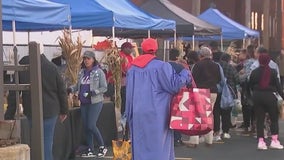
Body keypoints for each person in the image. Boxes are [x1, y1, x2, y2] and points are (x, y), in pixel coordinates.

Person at [125, 38, 191, 160]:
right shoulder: (161, 66)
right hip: (158, 113)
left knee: (140, 145)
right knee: (159, 146)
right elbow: (175, 86)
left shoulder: (132, 69)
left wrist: (127, 115)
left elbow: (128, 94)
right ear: (156, 49)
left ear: (142, 49)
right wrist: (185, 74)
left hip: (137, 113)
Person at [18, 54, 68, 160]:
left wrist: (10, 112)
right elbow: (62, 90)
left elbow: (15, 91)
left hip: (31, 110)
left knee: (35, 140)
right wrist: (64, 110)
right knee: (47, 141)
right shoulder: (52, 67)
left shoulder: (22, 67)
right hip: (50, 110)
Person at [68, 51, 108, 158]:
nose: (86, 60)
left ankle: (102, 146)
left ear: (93, 59)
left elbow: (104, 87)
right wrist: (71, 89)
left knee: (91, 125)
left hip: (95, 102)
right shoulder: (82, 72)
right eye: (85, 58)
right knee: (86, 127)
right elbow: (77, 86)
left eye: (88, 58)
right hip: (84, 103)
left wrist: (93, 92)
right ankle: (90, 149)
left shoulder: (99, 72)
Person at [249, 53, 284, 150]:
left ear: (259, 61)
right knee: (273, 119)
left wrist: (252, 95)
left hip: (257, 96)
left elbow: (250, 85)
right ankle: (274, 140)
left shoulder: (254, 72)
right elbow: (278, 87)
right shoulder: (272, 72)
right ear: (268, 61)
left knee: (260, 120)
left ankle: (261, 142)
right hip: (270, 96)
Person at [190, 46, 222, 146]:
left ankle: (194, 140)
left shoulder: (197, 65)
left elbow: (192, 78)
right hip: (213, 92)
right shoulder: (216, 65)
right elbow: (219, 79)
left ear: (201, 55)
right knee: (209, 115)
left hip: (200, 91)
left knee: (197, 115)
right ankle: (209, 139)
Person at [168, 48, 187, 146]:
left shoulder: (164, 66)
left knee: (165, 116)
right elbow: (187, 80)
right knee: (177, 116)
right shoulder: (181, 67)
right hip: (179, 95)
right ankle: (177, 138)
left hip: (165, 95)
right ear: (177, 57)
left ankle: (167, 137)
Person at [120, 42, 134, 116]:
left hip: (128, 83)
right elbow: (125, 69)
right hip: (122, 84)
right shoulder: (121, 56)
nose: (131, 50)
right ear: (125, 48)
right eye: (130, 48)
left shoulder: (130, 56)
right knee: (123, 102)